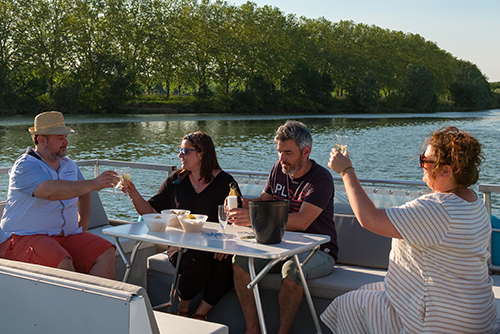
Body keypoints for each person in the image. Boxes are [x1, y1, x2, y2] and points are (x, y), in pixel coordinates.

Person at [322, 125, 498, 334]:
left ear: (446, 171)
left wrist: (346, 171)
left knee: (349, 304)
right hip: (476, 315)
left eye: (426, 161)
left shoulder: (437, 208)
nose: (421, 165)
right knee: (368, 290)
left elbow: (369, 219)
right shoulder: (474, 202)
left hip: (438, 321)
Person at [229, 120, 337, 334]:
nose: (282, 158)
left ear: (305, 152)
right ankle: (253, 329)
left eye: (288, 153)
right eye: (279, 152)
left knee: (292, 271)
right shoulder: (279, 169)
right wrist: (240, 203)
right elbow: (265, 202)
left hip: (319, 250)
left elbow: (302, 220)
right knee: (239, 262)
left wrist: (253, 220)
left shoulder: (321, 178)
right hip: (280, 244)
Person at [122, 130, 240, 320]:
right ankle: (182, 308)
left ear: (201, 154)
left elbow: (237, 218)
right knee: (196, 262)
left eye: (185, 151)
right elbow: (151, 213)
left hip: (216, 243)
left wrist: (227, 242)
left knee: (227, 267)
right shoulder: (176, 181)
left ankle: (200, 313)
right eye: (180, 150)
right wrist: (133, 193)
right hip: (180, 243)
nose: (180, 155)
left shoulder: (225, 182)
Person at [0, 111, 118, 279]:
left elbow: (84, 194)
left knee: (105, 251)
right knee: (62, 262)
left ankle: (100, 303)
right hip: (23, 237)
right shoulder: (25, 166)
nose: (66, 142)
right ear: (41, 139)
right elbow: (49, 191)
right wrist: (94, 183)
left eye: (65, 137)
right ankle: (76, 304)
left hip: (65, 235)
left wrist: (81, 227)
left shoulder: (69, 165)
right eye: (60, 138)